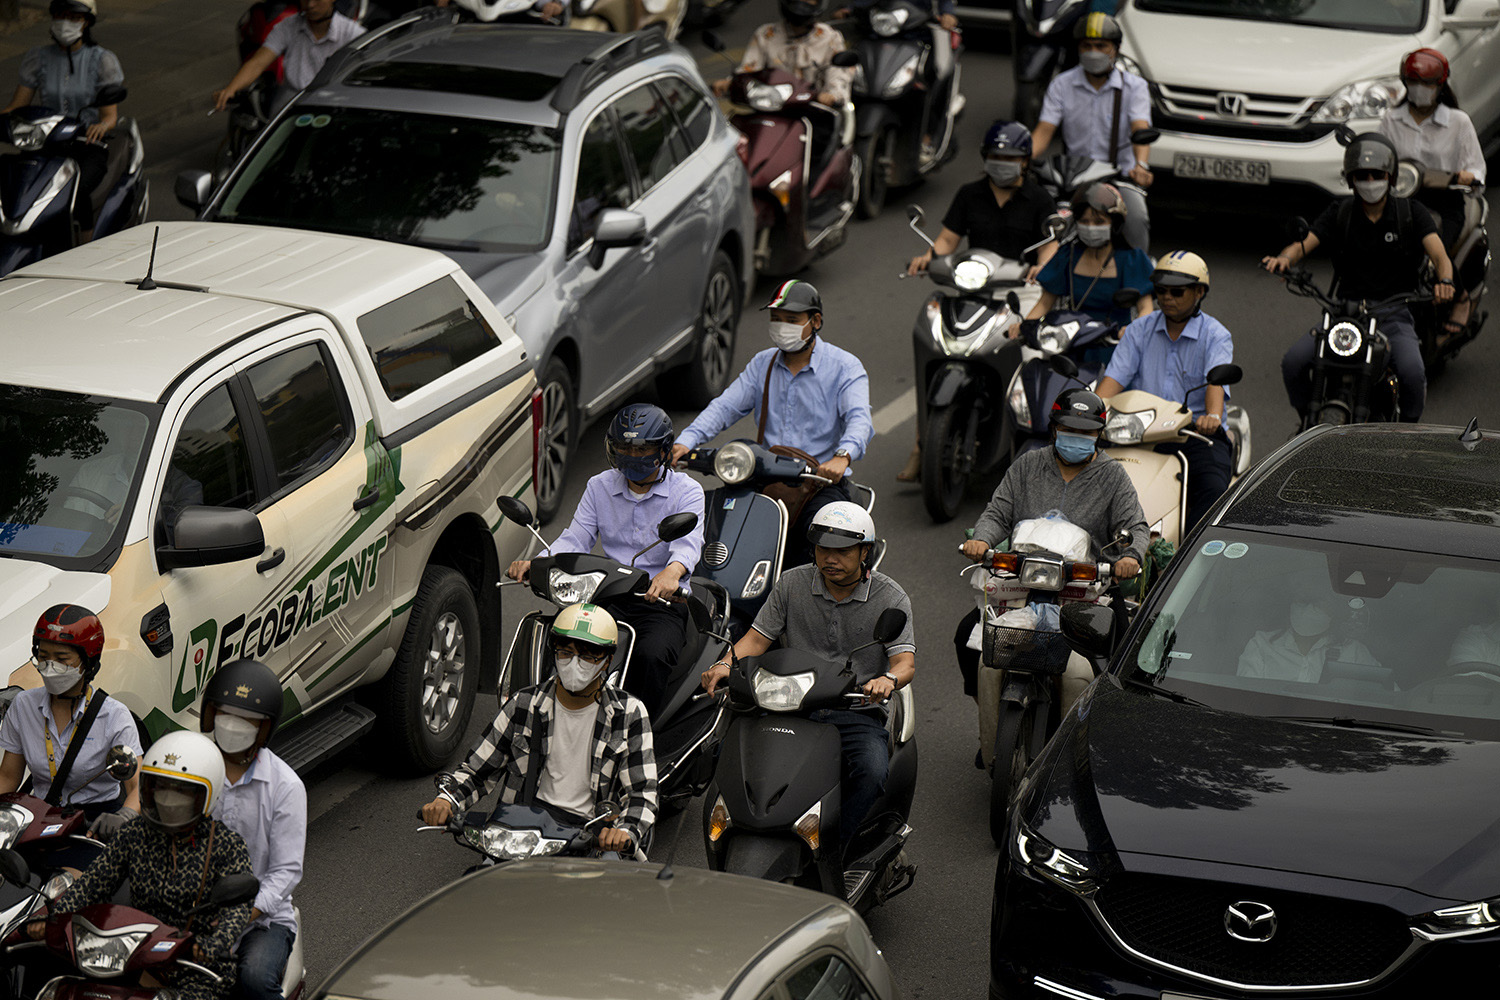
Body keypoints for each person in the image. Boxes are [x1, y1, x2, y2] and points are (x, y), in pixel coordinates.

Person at [701, 503, 915, 848]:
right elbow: (756, 640)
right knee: (726, 756)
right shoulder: (792, 583)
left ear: (865, 552)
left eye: (842, 551)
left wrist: (887, 680)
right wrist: (725, 664)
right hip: (789, 703)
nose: (830, 559)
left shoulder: (891, 597)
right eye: (823, 549)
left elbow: (905, 662)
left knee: (872, 772)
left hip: (854, 709)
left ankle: (834, 848)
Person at [955, 389, 1146, 715]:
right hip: (1023, 583)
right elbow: (998, 513)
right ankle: (989, 715)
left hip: (1087, 588)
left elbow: (1135, 527)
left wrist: (1130, 557)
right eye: (1069, 430)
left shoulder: (1112, 476)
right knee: (967, 638)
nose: (1077, 437)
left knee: (1122, 660)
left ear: (1099, 435)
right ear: (1054, 429)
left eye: (1086, 432)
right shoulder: (1028, 465)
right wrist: (983, 540)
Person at [509, 404, 704, 718]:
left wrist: (672, 572)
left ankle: (636, 729)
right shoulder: (599, 486)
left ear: (663, 450)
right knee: (561, 642)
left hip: (660, 602)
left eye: (641, 448)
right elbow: (576, 537)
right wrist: (539, 562)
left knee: (651, 656)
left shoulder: (687, 492)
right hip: (606, 593)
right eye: (624, 447)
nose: (631, 454)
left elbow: (688, 544)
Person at [419, 604, 657, 854]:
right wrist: (446, 800)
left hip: (587, 836)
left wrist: (624, 831)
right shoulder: (524, 704)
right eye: (565, 652)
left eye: (588, 656)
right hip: (520, 832)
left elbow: (642, 792)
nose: (574, 663)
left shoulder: (628, 714)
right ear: (554, 653)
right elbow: (477, 771)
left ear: (607, 660)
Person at [37, 731, 255, 1000]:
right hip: (132, 955)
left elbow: (237, 908)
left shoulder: (226, 844)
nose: (167, 799)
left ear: (208, 796)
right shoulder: (134, 834)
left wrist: (215, 942)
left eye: (181, 791)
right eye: (160, 787)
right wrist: (51, 917)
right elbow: (92, 884)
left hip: (195, 966)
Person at [671, 280, 873, 567]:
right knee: (716, 524)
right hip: (766, 476)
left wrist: (842, 456)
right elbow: (725, 406)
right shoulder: (762, 364)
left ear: (815, 321)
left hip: (819, 482)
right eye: (776, 319)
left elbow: (859, 419)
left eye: (791, 320)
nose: (781, 326)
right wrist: (685, 441)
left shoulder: (844, 366)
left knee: (824, 549)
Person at [900, 120, 1059, 482]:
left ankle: (1032, 445)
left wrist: (1043, 267)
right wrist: (927, 257)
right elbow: (947, 241)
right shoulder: (969, 194)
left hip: (1021, 290)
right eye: (996, 156)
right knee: (941, 348)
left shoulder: (1038, 198)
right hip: (974, 287)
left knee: (1032, 358)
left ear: (1025, 161)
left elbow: (1049, 245)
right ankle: (921, 445)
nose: (1002, 163)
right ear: (985, 157)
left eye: (1011, 157)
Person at [1264, 132, 1454, 423]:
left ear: (1391, 177)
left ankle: (1407, 434)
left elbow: (1440, 257)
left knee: (1413, 373)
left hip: (1393, 315)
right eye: (1362, 175)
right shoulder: (1340, 212)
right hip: (1344, 314)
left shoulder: (1411, 214)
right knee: (1294, 362)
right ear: (1351, 179)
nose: (1370, 181)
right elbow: (1304, 244)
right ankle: (1308, 424)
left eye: (1377, 174)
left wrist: (1446, 282)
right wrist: (1284, 259)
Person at [1097, 250, 1234, 532]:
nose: (1166, 297)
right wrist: (1089, 412)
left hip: (1194, 433)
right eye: (1161, 290)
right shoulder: (1138, 330)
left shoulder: (1216, 335)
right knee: (1084, 474)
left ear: (1199, 292)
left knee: (1212, 488)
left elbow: (1215, 384)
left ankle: (1194, 553)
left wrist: (1212, 416)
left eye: (1177, 291)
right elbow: (1112, 381)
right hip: (1136, 430)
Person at [200, 660, 305, 1000]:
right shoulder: (193, 770)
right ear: (211, 714)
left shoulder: (285, 786)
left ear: (263, 728)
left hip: (262, 920)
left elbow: (286, 872)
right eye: (225, 714)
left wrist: (241, 916)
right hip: (192, 909)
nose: (232, 725)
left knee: (255, 980)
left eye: (246, 719)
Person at [0, 605, 141, 856]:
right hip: (39, 818)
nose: (50, 666)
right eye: (43, 657)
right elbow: (8, 777)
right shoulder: (23, 706)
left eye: (62, 659)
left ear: (88, 662)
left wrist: (124, 816)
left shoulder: (115, 716)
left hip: (94, 824)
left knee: (67, 881)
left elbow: (138, 787)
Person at [1378, 47, 1486, 337]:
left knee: (1436, 248)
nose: (1420, 89)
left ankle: (1461, 297)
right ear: (1405, 83)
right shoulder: (1391, 119)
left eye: (1426, 83)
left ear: (1440, 85)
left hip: (1445, 202)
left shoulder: (1458, 122)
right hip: (1402, 199)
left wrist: (1468, 177)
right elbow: (1380, 155)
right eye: (1413, 82)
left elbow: (1477, 170)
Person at [1, 1, 124, 243]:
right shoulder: (38, 58)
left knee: (76, 190)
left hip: (85, 144)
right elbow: (16, 107)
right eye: (60, 16)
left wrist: (101, 126)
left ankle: (85, 247)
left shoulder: (102, 60)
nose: (65, 23)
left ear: (86, 22)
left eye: (74, 17)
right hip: (44, 144)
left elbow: (109, 116)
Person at [1029, 12, 1152, 247]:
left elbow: (1140, 128)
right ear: (1078, 48)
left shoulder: (1135, 87)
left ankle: (1137, 268)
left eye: (1101, 46)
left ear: (1115, 49)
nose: (1093, 52)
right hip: (1070, 180)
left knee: (1136, 218)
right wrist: (1021, 160)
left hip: (1118, 179)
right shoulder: (1062, 84)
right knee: (1034, 216)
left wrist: (1141, 166)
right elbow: (1044, 130)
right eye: (1087, 46)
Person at [712, 0, 853, 171]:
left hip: (811, 112)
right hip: (769, 109)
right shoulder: (766, 35)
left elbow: (838, 75)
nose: (803, 3)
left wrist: (831, 95)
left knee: (820, 157)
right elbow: (748, 71)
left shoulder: (829, 38)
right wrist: (729, 84)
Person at [1024, 181, 1154, 327]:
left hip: (1117, 338)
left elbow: (1145, 308)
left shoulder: (1132, 259)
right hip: (1071, 336)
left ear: (1114, 223)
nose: (1091, 227)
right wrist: (1025, 327)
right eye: (1084, 221)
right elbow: (1045, 303)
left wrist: (1133, 330)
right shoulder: (1068, 255)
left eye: (1099, 222)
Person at [213, 0, 365, 113]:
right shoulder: (288, 26)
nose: (310, 5)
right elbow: (258, 62)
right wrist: (231, 89)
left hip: (330, 107)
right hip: (289, 107)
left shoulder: (353, 34)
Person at [1237, 594, 1379, 683]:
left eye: (1319, 602)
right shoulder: (1261, 644)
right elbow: (1246, 698)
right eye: (1303, 600)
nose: (1309, 609)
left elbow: (1381, 694)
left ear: (1335, 610)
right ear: (1291, 604)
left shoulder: (1353, 651)